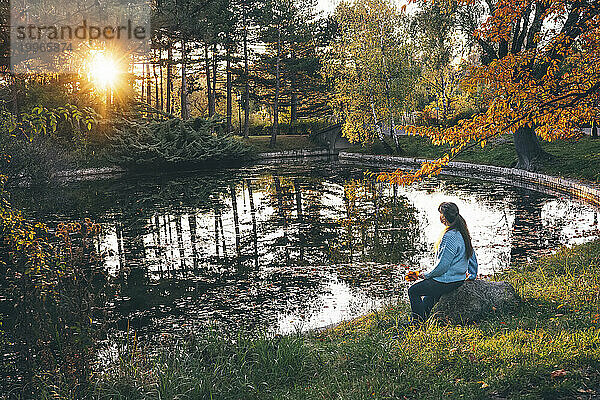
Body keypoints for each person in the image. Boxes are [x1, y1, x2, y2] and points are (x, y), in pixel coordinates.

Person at [408, 202, 478, 324]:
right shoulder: (462, 232)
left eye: (440, 214)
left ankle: (417, 324)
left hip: (447, 281)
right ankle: (422, 320)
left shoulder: (449, 236)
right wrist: (472, 275)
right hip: (458, 279)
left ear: (444, 217)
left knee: (413, 291)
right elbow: (472, 257)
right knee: (430, 295)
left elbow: (442, 266)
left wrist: (426, 275)